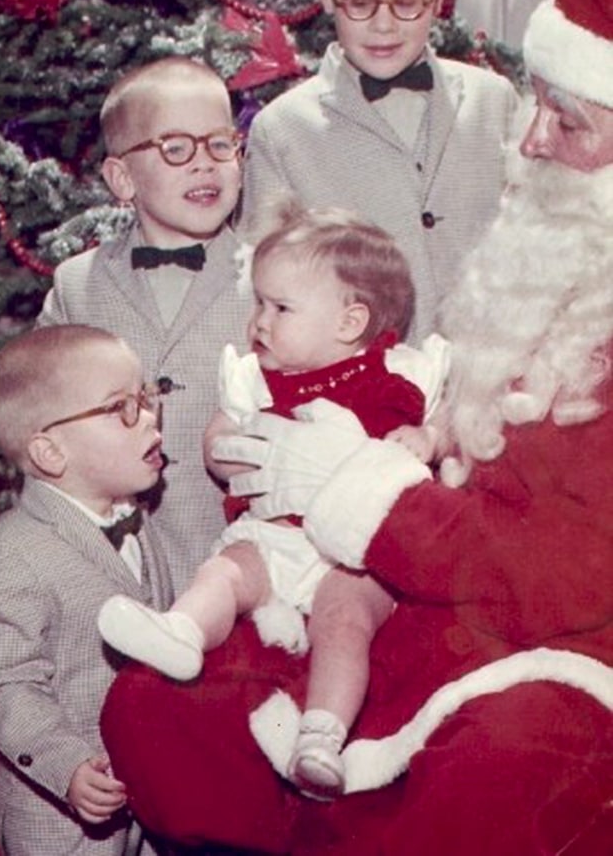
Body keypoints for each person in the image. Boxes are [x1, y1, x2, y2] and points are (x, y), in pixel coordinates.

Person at [100, 0, 613, 855]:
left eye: (568, 124)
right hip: (432, 598)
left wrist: (363, 491)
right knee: (158, 710)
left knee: (496, 774)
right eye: (536, 106)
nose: (529, 143)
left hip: (564, 639)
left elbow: (570, 571)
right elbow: (452, 428)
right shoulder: (551, 269)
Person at [98, 202, 448, 799]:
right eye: (258, 303)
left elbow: (449, 433)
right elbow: (217, 441)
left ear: (350, 320)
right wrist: (223, 450)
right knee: (225, 575)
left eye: (280, 308)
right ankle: (181, 632)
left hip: (353, 554)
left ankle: (321, 734)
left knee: (345, 620)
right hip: (274, 535)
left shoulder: (401, 375)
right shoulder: (253, 379)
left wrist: (427, 437)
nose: (259, 321)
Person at [242, 0, 520, 343]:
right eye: (359, 2)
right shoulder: (282, 131)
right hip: (360, 408)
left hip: (490, 389)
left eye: (407, 1)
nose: (384, 26)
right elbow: (264, 298)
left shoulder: (495, 101)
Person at [37, 56, 251, 590]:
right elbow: (40, 419)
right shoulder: (76, 285)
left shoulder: (272, 280)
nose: (204, 164)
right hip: (113, 581)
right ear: (122, 178)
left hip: (241, 571)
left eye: (220, 145)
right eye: (176, 148)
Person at [0, 324, 173, 856]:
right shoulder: (14, 552)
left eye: (146, 399)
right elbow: (5, 684)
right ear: (51, 452)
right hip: (62, 822)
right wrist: (68, 764)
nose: (148, 418)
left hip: (151, 804)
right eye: (121, 407)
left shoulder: (143, 527)